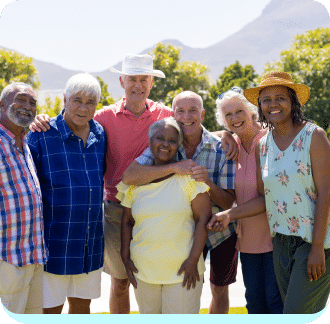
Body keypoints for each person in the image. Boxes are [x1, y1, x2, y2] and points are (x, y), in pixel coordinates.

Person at [29, 55, 237, 313]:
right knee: (120, 282)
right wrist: (41, 120)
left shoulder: (164, 114)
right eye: (132, 79)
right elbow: (73, 121)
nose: (137, 85)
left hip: (165, 206)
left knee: (156, 277)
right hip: (118, 209)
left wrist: (225, 134)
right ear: (122, 81)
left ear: (151, 83)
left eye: (143, 79)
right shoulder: (103, 118)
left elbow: (189, 125)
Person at [208, 72, 330, 314]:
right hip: (281, 242)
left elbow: (327, 192)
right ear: (260, 106)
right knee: (278, 310)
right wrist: (229, 215)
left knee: (294, 311)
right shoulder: (264, 146)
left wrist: (317, 247)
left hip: (313, 241)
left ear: (293, 101)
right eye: (266, 99)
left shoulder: (313, 136)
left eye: (280, 97)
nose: (273, 104)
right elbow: (264, 199)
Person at [122, 90, 237, 314]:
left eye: (193, 110)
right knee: (189, 283)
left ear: (202, 114)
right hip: (185, 229)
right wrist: (175, 167)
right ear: (173, 115)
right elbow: (130, 176)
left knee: (219, 289)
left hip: (221, 227)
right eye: (180, 111)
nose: (187, 116)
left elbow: (228, 203)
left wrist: (208, 183)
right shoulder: (170, 141)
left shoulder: (221, 147)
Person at [26, 74, 106, 314]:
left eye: (90, 102)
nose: (83, 108)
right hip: (54, 244)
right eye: (77, 100)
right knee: (50, 310)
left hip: (89, 245)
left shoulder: (100, 134)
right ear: (64, 99)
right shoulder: (41, 134)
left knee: (82, 309)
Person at [118, 117, 211, 314]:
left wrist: (193, 259)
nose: (165, 144)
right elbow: (127, 221)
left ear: (178, 145)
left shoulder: (189, 178)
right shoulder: (135, 181)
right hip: (143, 271)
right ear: (150, 142)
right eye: (160, 138)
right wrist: (125, 258)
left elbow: (204, 218)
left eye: (172, 140)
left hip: (184, 271)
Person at [214, 86, 283, 313]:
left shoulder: (272, 137)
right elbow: (200, 133)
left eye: (239, 111)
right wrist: (224, 134)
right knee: (254, 301)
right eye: (228, 115)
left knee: (275, 301)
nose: (234, 118)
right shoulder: (230, 144)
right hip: (248, 240)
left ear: (252, 111)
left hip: (276, 236)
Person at [0, 82, 48, 314]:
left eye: (32, 102)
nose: (27, 106)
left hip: (32, 256)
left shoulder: (24, 144)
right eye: (21, 99)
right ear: (2, 104)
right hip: (6, 260)